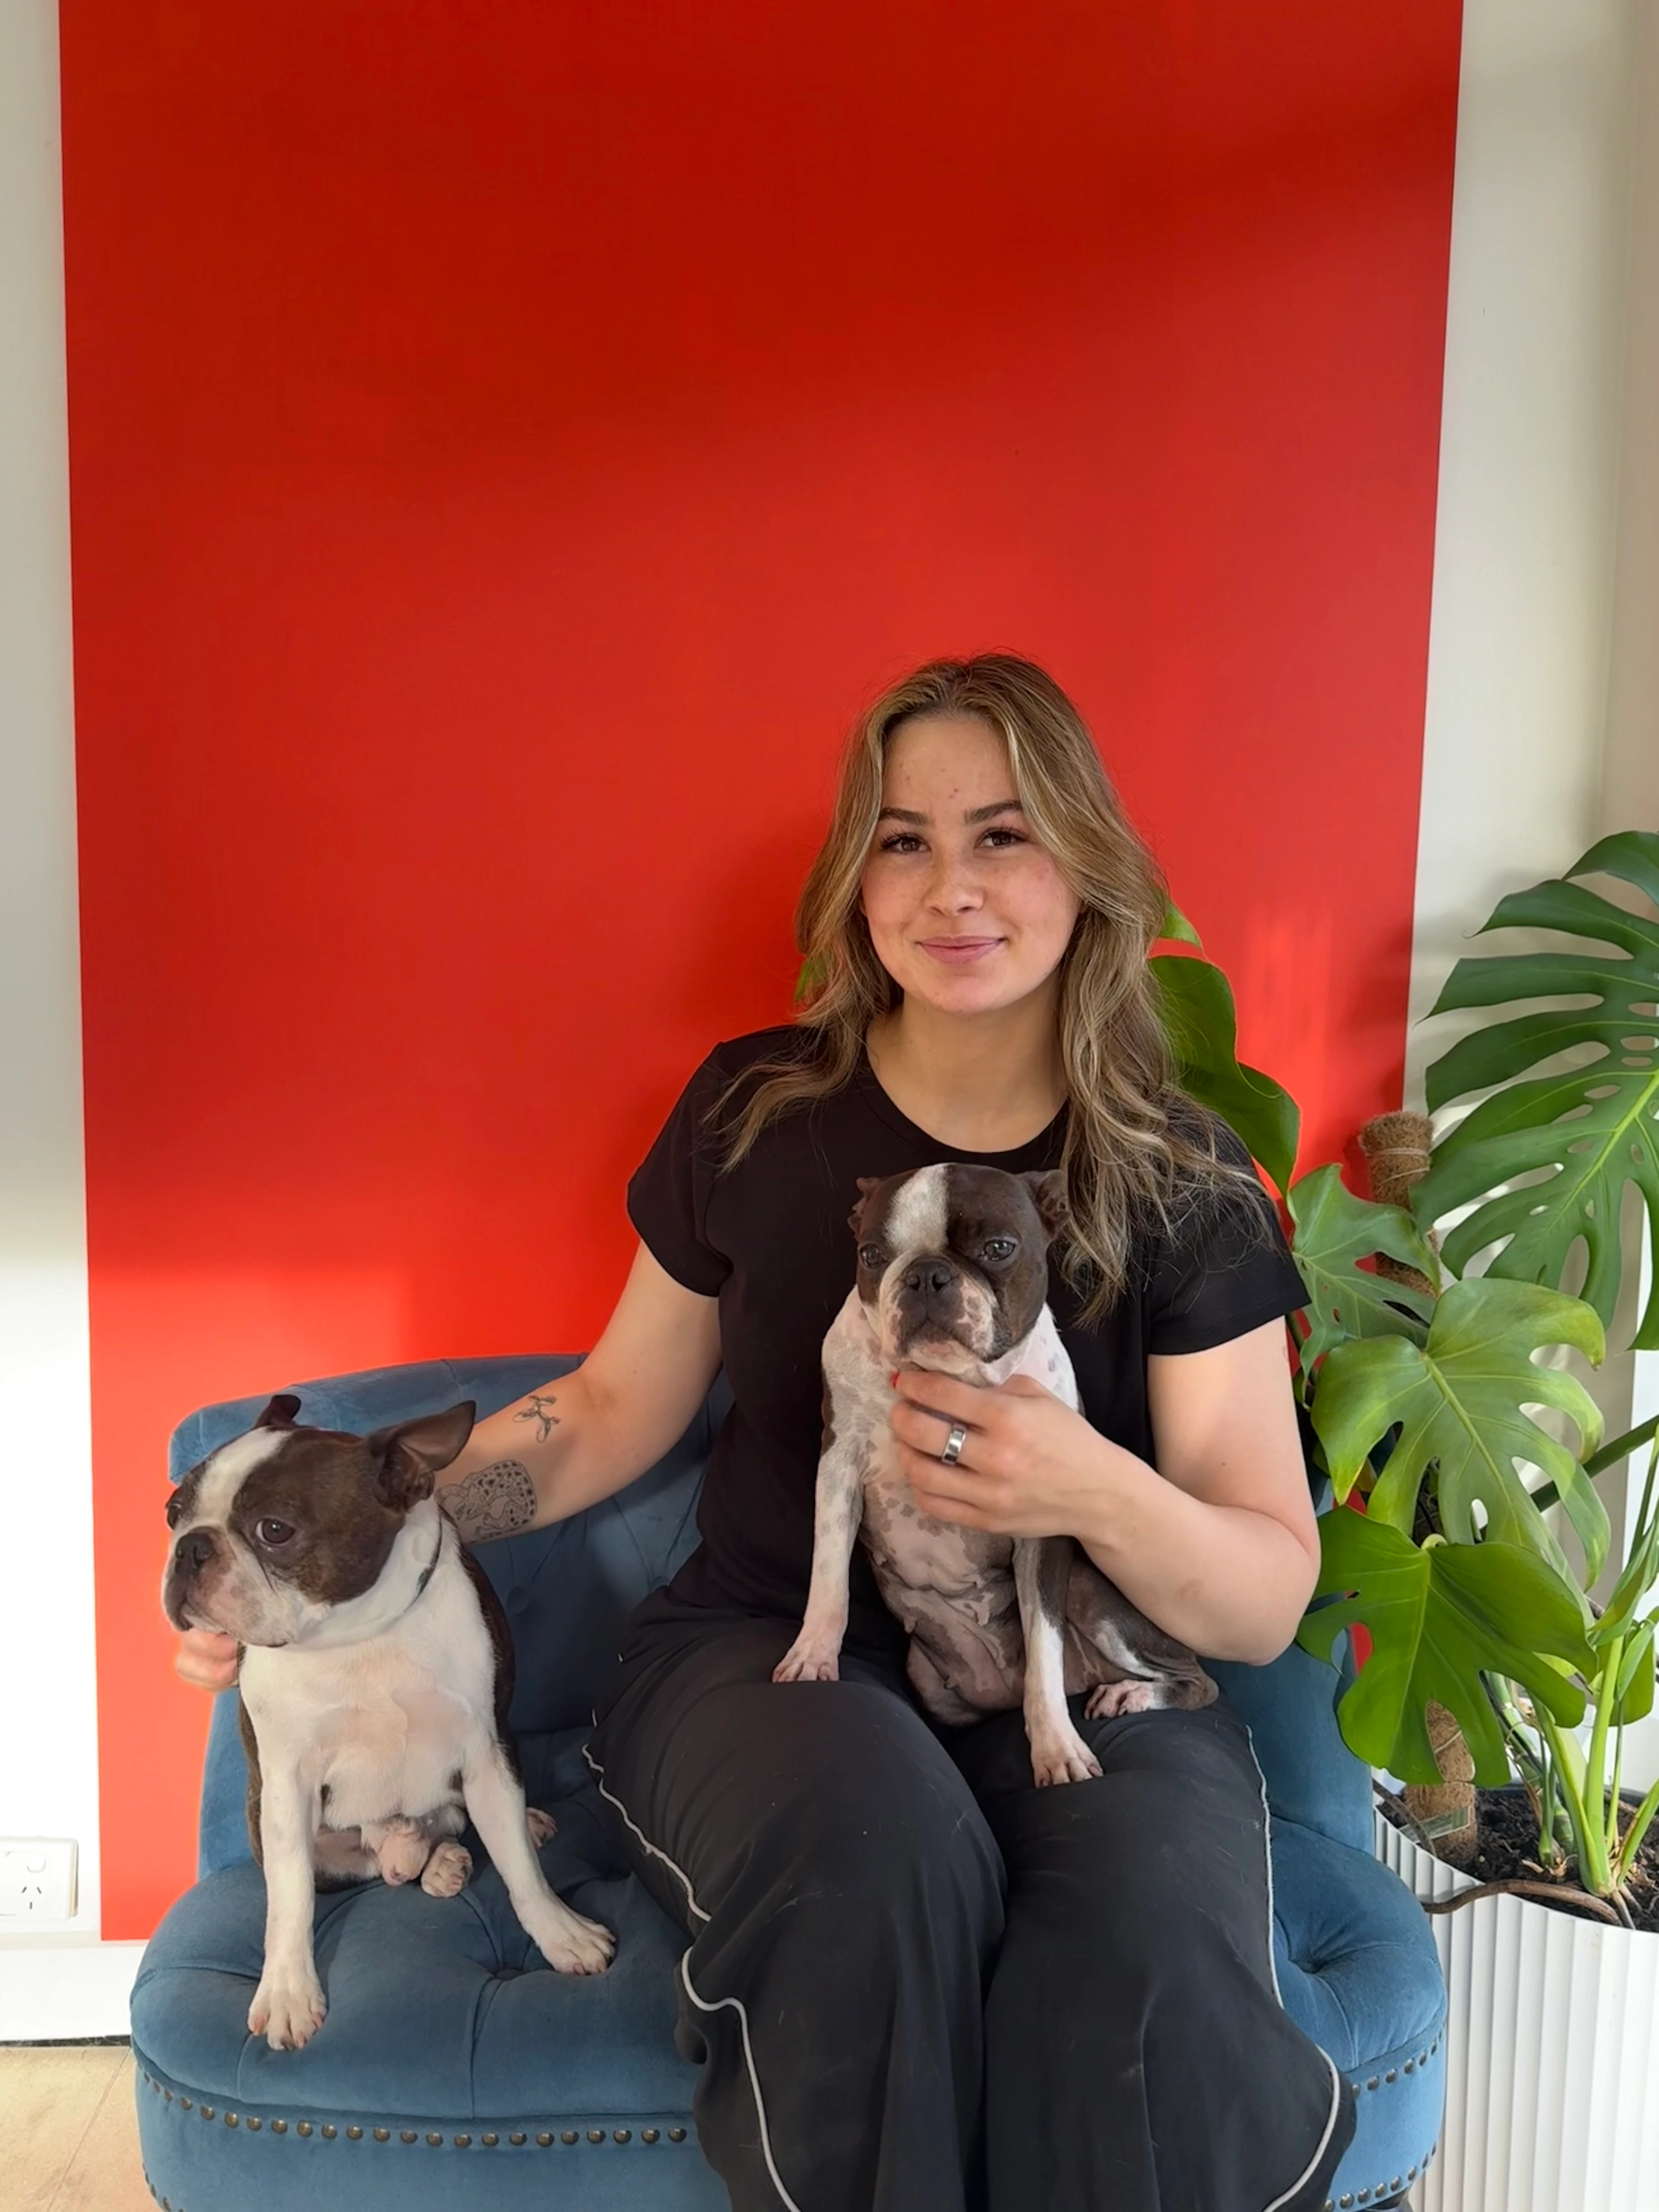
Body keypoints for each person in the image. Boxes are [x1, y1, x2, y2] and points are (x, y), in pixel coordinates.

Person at [177, 654, 1353, 2212]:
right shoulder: (756, 1116)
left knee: (1142, 1961)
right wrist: (330, 1555)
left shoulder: (1181, 1177)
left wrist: (1091, 1489)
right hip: (765, 1654)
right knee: (873, 1870)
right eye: (902, 837)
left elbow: (1266, 1590)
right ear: (854, 878)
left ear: (1084, 861)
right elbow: (602, 1415)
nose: (951, 887)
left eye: (1002, 834)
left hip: (1073, 1665)